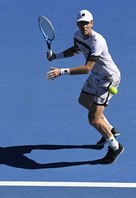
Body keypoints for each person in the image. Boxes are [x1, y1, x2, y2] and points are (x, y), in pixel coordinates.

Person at [46, 10, 124, 164]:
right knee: (83, 100)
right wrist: (56, 56)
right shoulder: (77, 35)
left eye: (86, 23)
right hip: (97, 75)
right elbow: (75, 49)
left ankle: (116, 147)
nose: (83, 26)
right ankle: (109, 128)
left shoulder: (97, 41)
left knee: (93, 120)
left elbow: (87, 67)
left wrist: (61, 71)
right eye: (80, 23)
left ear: (92, 23)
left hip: (108, 79)